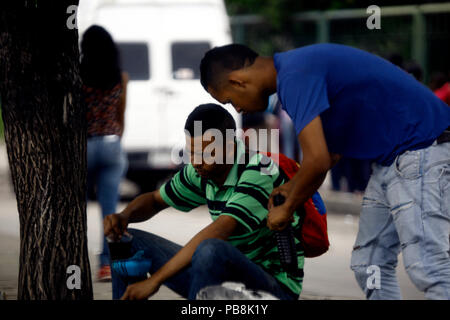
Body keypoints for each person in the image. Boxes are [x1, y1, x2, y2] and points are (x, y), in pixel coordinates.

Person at [200, 43, 450, 299]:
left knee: (429, 266)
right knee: (369, 263)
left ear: (238, 81)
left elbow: (317, 160)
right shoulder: (294, 73)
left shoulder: (294, 75)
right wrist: (292, 187)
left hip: (422, 149)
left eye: (230, 101)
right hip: (392, 160)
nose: (237, 110)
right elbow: (331, 154)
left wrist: (287, 207)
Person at [103, 104, 304, 300]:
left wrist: (154, 281)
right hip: (226, 278)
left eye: (206, 154)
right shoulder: (200, 169)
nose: (196, 161)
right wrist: (124, 216)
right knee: (125, 239)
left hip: (273, 288)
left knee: (209, 250)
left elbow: (221, 229)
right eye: (192, 153)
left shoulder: (259, 171)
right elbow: (155, 200)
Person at [80, 25, 129, 281]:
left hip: (84, 145)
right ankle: (107, 265)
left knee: (76, 206)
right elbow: (121, 115)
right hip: (111, 144)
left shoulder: (78, 76)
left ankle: (73, 261)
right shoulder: (120, 77)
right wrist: (116, 137)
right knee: (110, 210)